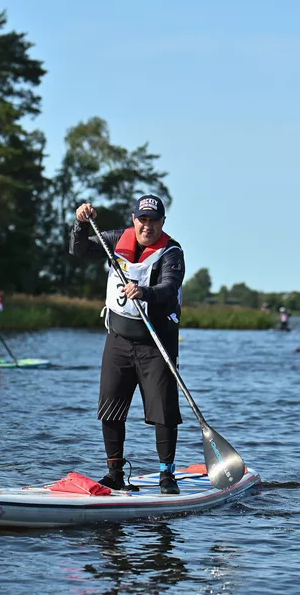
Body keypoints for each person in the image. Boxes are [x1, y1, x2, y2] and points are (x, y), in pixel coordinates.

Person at [69, 195, 184, 494]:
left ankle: (166, 476)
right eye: (142, 220)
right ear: (134, 219)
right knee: (110, 407)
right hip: (118, 340)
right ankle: (114, 473)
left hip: (156, 343)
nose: (147, 226)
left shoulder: (172, 252)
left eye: (153, 221)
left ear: (162, 222)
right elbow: (78, 249)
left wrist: (144, 292)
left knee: (164, 410)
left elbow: (169, 289)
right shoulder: (116, 239)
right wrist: (80, 225)